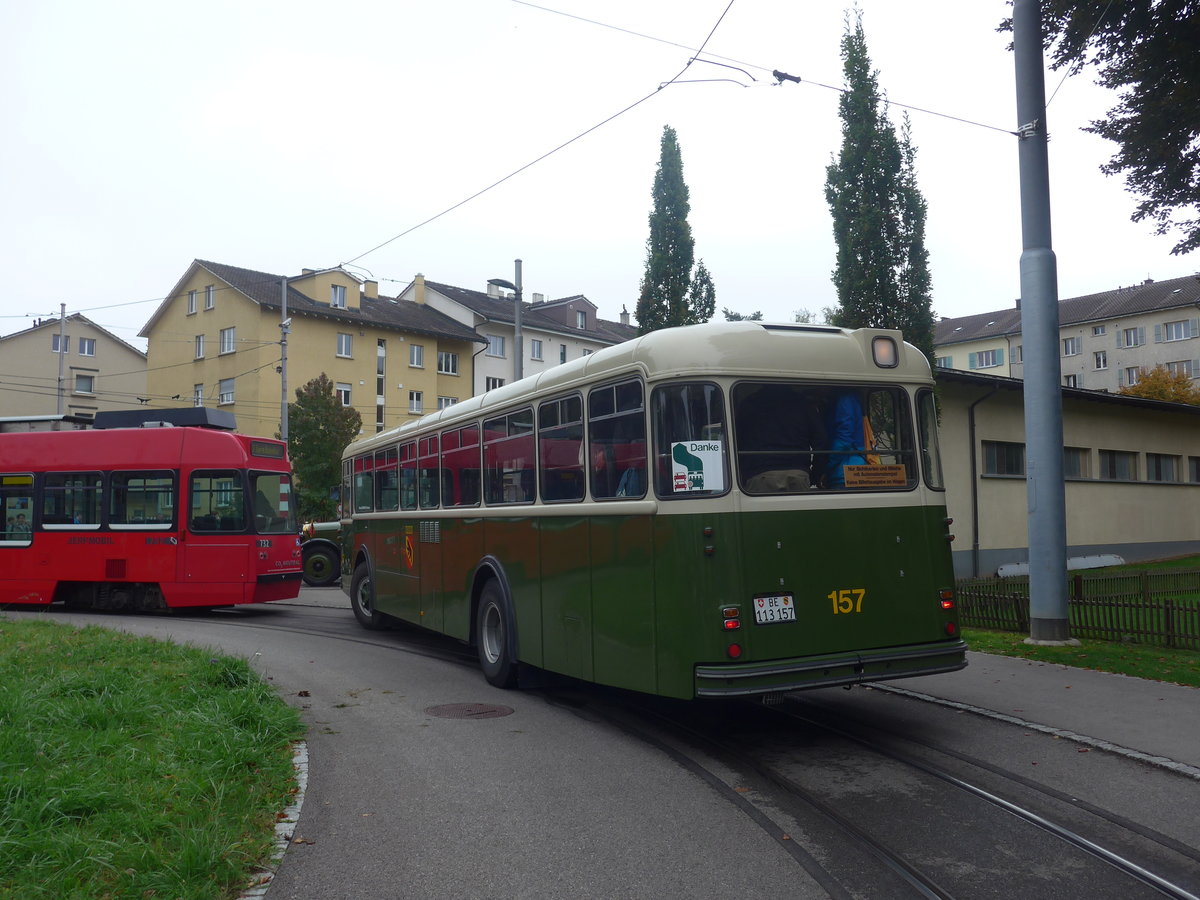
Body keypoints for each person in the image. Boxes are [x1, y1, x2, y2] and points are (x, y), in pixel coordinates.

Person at [736, 384, 826, 486]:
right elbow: (821, 440)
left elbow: (738, 440)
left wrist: (744, 474)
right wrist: (815, 474)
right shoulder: (803, 403)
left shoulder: (749, 403)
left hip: (760, 472)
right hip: (798, 472)